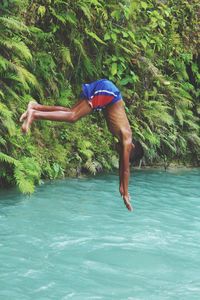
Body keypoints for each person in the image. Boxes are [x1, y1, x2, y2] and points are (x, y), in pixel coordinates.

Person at [20, 79, 144, 211]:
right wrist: (125, 193)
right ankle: (34, 115)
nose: (121, 153)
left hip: (107, 92)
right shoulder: (127, 140)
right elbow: (125, 169)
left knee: (71, 111)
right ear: (133, 148)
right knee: (73, 116)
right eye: (125, 153)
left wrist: (121, 188)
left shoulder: (124, 138)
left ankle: (35, 107)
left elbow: (122, 167)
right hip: (108, 92)